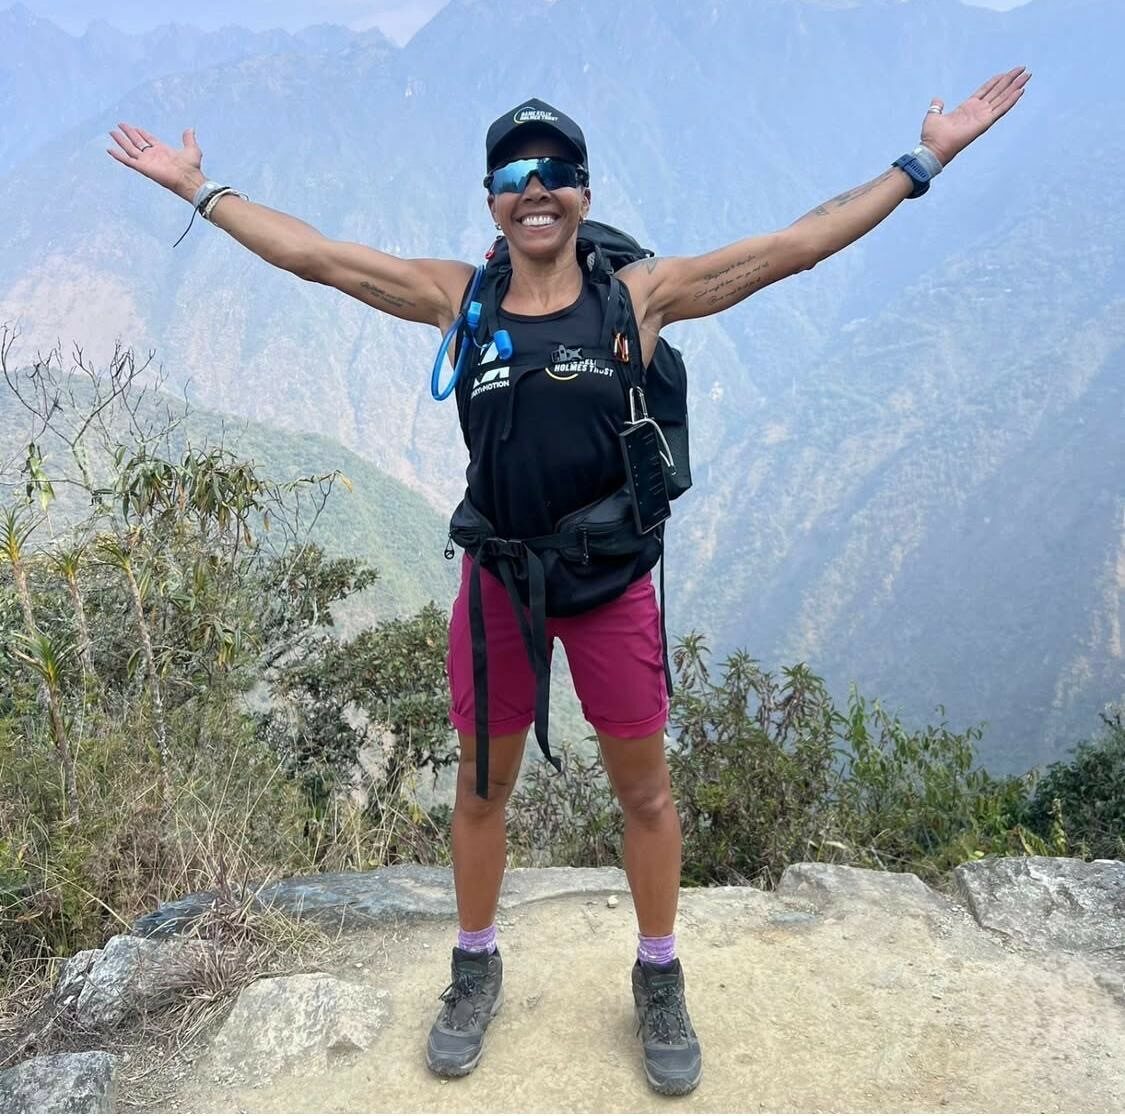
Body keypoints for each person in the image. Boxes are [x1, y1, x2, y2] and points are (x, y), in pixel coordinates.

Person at [108, 66, 1029, 1096]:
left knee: (644, 791)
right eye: (514, 171)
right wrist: (199, 189)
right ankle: (474, 960)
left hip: (611, 582)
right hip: (502, 578)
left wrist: (926, 160)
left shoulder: (636, 297)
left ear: (584, 194)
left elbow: (792, 247)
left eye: (556, 171)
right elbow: (321, 258)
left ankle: (660, 972)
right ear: (491, 199)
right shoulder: (460, 297)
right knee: (482, 786)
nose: (535, 186)